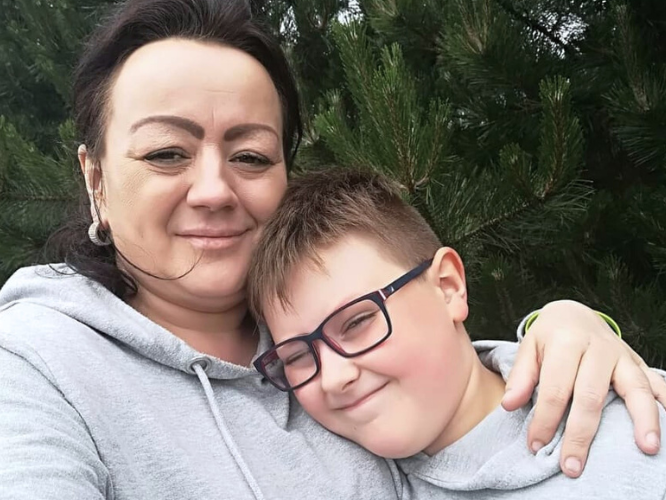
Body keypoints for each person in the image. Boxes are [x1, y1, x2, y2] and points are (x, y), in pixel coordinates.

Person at [0, 0, 664, 498]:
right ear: (96, 179)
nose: (214, 190)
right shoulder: (35, 364)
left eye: (250, 155)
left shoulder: (306, 329)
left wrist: (567, 328)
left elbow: (450, 375)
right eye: (166, 153)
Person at [248, 168, 666, 499]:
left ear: (448, 287)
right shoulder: (342, 474)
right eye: (297, 356)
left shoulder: (633, 437)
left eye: (357, 322)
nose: (334, 378)